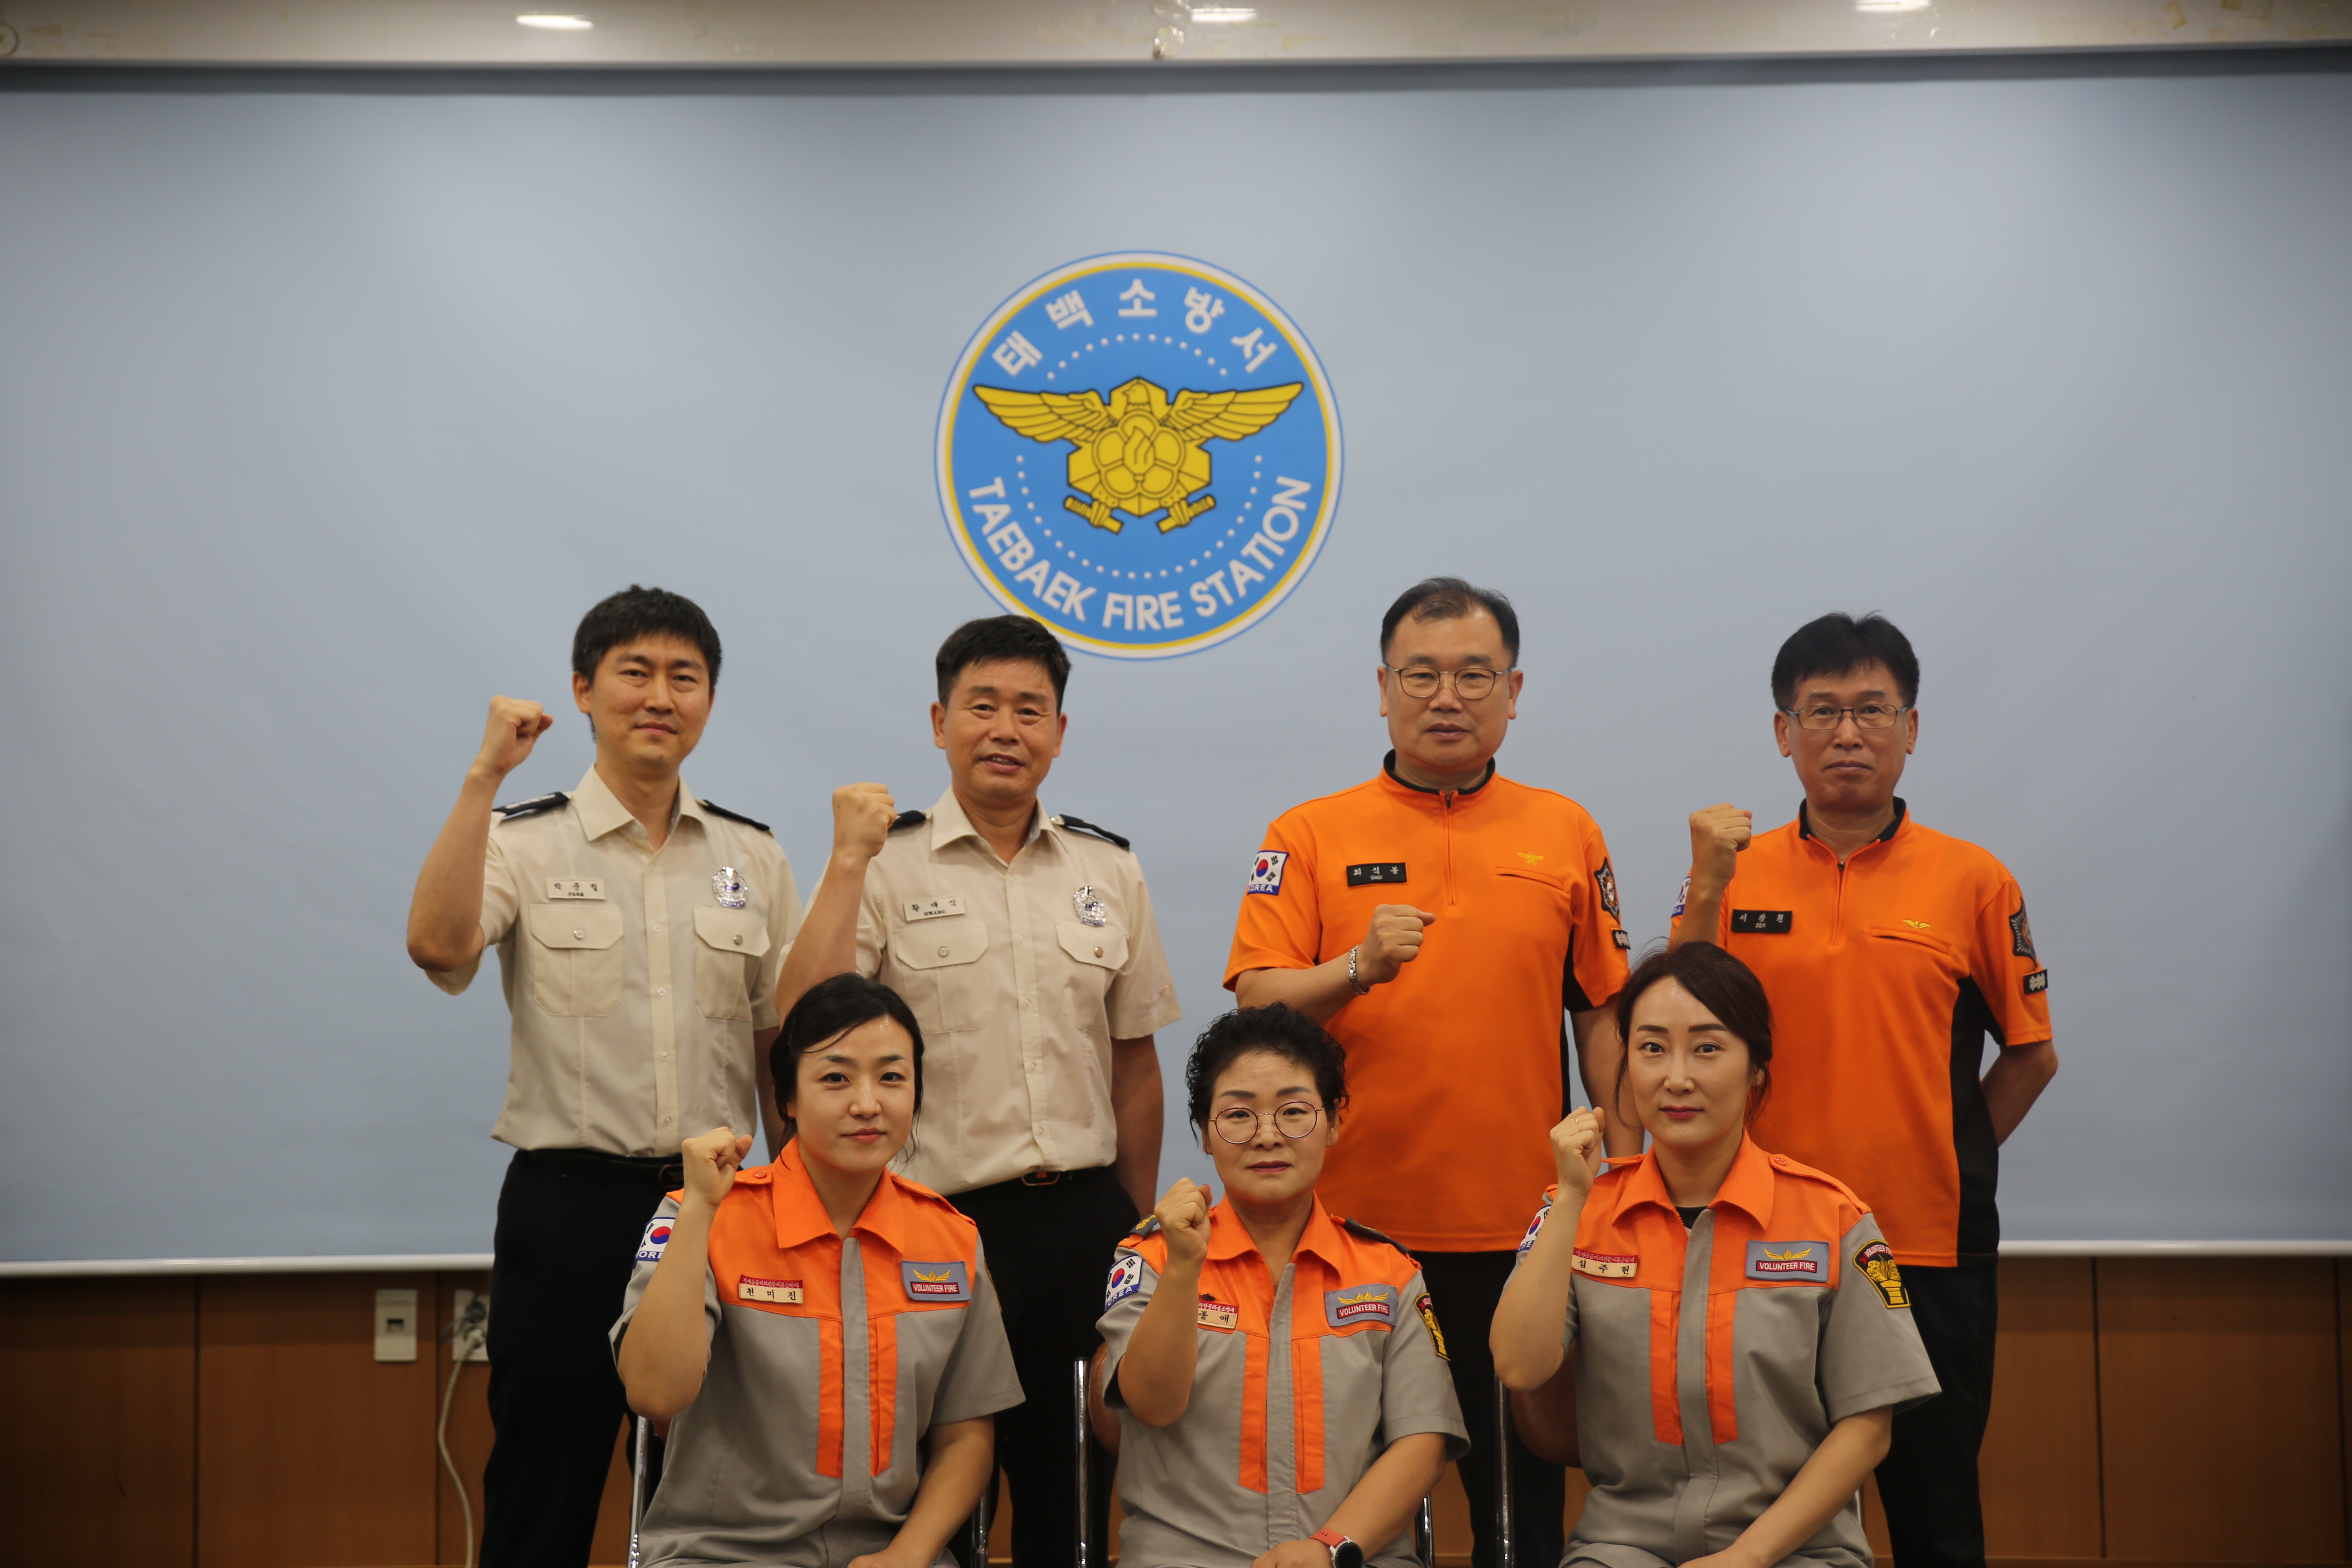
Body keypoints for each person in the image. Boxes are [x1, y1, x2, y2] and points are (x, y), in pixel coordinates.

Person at [1226, 576, 1628, 1568]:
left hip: (1522, 1234)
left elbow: (1604, 1019)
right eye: (1422, 675)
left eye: (1474, 676)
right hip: (1354, 1236)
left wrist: (1625, 1176)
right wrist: (1356, 968)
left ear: (1514, 692)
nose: (1447, 698)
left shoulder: (1567, 831)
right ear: (1383, 688)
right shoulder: (1308, 833)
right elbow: (1256, 1004)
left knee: (1519, 1516)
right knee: (1351, 1515)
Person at [406, 585, 802, 1568]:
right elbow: (438, 947)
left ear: (710, 700)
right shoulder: (521, 838)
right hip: (568, 1210)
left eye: (684, 677)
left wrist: (796, 1200)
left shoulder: (753, 855)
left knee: (709, 1494)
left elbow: (780, 1049)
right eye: (635, 673)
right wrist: (483, 778)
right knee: (543, 1485)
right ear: (584, 690)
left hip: (712, 1211)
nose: (660, 697)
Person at [775, 614, 1182, 1568]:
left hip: (1082, 1221)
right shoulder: (884, 862)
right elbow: (801, 1024)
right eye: (982, 706)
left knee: (1071, 1498)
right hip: (935, 1225)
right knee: (930, 1499)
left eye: (1030, 711)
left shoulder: (1108, 869)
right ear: (939, 722)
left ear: (1060, 732)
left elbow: (1134, 1064)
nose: (1006, 729)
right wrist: (847, 861)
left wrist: (1132, 1222)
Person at [1665, 612, 2057, 1568]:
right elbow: (1675, 1026)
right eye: (1823, 711)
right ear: (1784, 731)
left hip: (1924, 1249)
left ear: (1911, 728)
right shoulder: (1731, 876)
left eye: (1873, 710)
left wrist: (1947, 1147)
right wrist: (1707, 887)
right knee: (1762, 1515)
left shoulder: (1974, 881)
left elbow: (2031, 1056)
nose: (1848, 733)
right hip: (1764, 1243)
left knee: (1936, 1513)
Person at [1493, 944, 1942, 1568]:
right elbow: (1519, 1366)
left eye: (1707, 1048)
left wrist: (1749, 1556)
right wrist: (1572, 1197)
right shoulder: (1580, 1209)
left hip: (1796, 1550)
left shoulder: (1833, 1219)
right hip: (1622, 1547)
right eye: (1652, 1048)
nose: (1677, 1078)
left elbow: (1869, 1427)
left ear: (1756, 1067)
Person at [614, 973, 1022, 1568]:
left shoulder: (950, 1237)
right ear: (788, 1098)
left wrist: (908, 1555)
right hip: (722, 1555)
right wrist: (700, 1208)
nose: (867, 1104)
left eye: (892, 1077)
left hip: (892, 1556)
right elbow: (655, 1394)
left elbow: (966, 1436)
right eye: (836, 1078)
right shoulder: (704, 1214)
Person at [1099, 1005, 1468, 1568]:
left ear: (1334, 1122)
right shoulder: (1151, 1259)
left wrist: (1328, 1549)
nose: (1268, 1136)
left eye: (1294, 1111)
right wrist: (1184, 1269)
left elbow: (1422, 1442)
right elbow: (1152, 1404)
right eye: (1238, 1115)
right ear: (1205, 1134)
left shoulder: (1388, 1273)